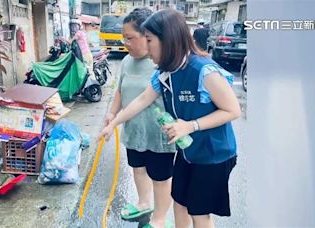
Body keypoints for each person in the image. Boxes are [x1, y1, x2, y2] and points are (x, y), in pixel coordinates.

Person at [99, 9, 241, 228]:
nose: (146, 48)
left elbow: (233, 110)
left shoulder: (204, 71)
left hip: (214, 154)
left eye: (149, 40)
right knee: (180, 201)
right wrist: (114, 123)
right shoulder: (165, 72)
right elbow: (141, 100)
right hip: (188, 151)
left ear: (167, 39)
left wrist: (191, 126)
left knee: (199, 212)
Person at [105, 8, 176, 228]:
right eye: (123, 38)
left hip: (158, 134)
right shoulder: (126, 61)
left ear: (148, 35)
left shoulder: (164, 64)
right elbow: (119, 91)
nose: (126, 43)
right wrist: (111, 113)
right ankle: (144, 203)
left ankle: (160, 219)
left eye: (130, 38)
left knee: (161, 178)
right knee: (138, 168)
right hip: (134, 129)